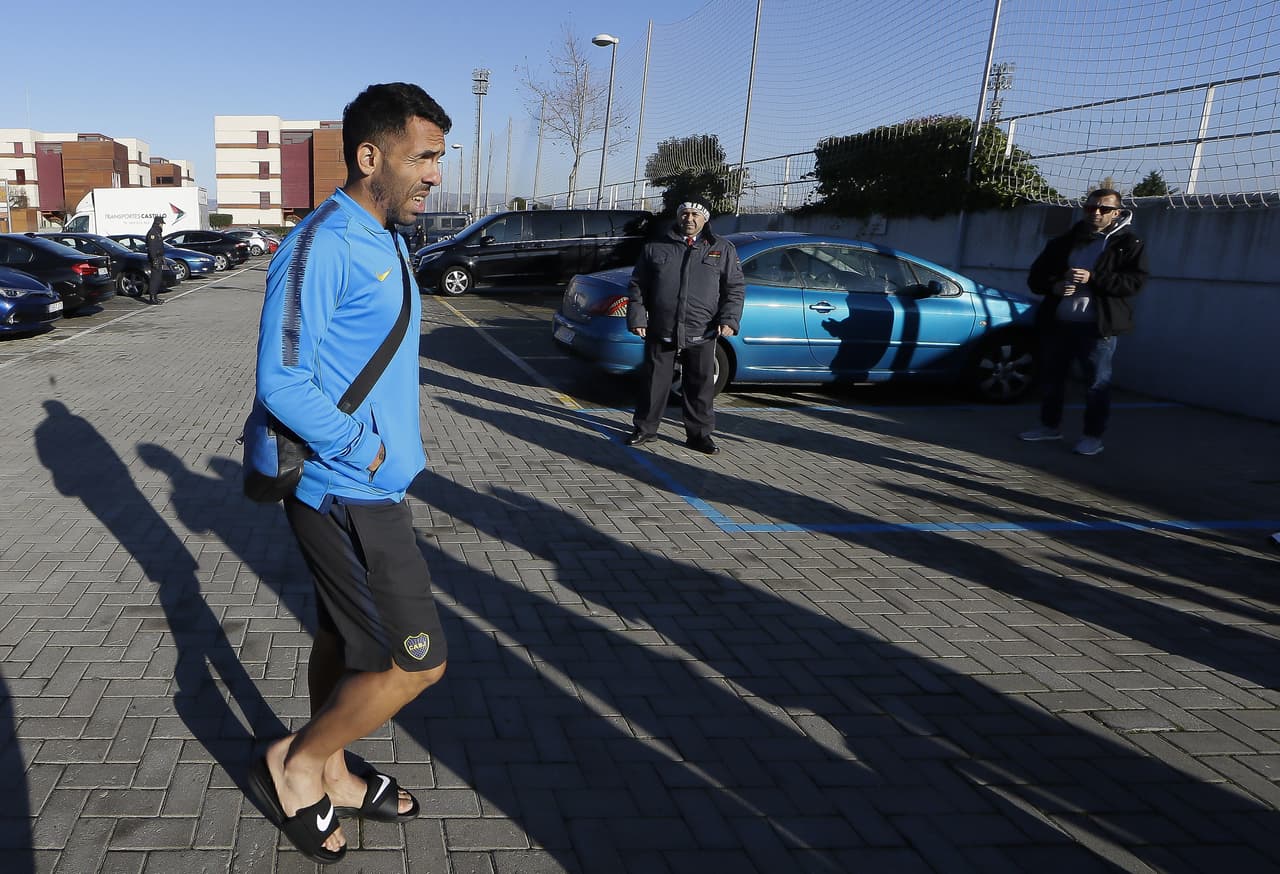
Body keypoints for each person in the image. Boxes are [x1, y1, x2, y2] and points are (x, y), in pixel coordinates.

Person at [248, 82, 451, 865]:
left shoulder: (386, 233)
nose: (435, 174)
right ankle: (296, 763)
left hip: (373, 487)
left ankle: (332, 768)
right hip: (346, 491)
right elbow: (282, 380)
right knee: (415, 661)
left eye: (439, 156)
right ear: (370, 157)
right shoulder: (321, 243)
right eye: (422, 156)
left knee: (342, 636)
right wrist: (361, 449)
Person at [1019, 188, 1148, 456]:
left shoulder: (1127, 243)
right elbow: (1036, 277)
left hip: (1096, 329)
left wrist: (1093, 279)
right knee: (1052, 379)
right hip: (1058, 324)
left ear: (1117, 212)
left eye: (1103, 209)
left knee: (1096, 383)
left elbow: (1133, 283)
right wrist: (1054, 285)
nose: (1096, 214)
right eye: (1090, 208)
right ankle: (1049, 426)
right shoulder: (1065, 241)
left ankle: (1092, 436)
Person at [624, 200, 745, 455]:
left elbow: (734, 288)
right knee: (654, 382)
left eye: (695, 214)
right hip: (661, 327)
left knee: (699, 385)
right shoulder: (656, 247)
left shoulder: (721, 249)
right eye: (685, 214)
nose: (689, 218)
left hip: (703, 330)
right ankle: (645, 429)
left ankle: (699, 435)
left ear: (705, 219)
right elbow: (637, 286)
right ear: (678, 217)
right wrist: (637, 317)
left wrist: (729, 319)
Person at [144, 215, 166, 304]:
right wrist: (154, 259)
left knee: (158, 278)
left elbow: (159, 247)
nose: (162, 225)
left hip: (159, 257)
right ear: (158, 223)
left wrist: (162, 257)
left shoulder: (157, 232)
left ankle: (155, 297)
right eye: (161, 223)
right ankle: (152, 298)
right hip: (155, 258)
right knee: (154, 279)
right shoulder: (153, 233)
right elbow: (152, 248)